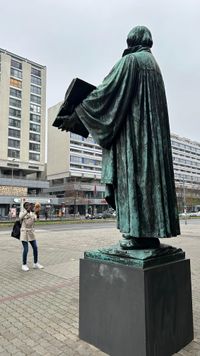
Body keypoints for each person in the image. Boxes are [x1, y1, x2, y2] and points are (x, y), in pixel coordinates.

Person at [58, 25, 180, 249]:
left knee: (134, 180)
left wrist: (78, 111)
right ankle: (149, 234)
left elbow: (106, 92)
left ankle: (137, 233)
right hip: (150, 141)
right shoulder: (153, 65)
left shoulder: (131, 61)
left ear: (131, 41)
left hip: (134, 139)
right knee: (147, 183)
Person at [19, 202, 44, 271]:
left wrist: (37, 212)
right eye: (27, 206)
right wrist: (27, 211)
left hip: (31, 233)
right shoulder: (22, 212)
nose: (29, 206)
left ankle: (35, 263)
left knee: (35, 247)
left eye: (29, 205)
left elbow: (35, 219)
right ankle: (24, 265)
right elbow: (20, 218)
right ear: (25, 207)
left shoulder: (32, 213)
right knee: (26, 249)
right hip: (24, 232)